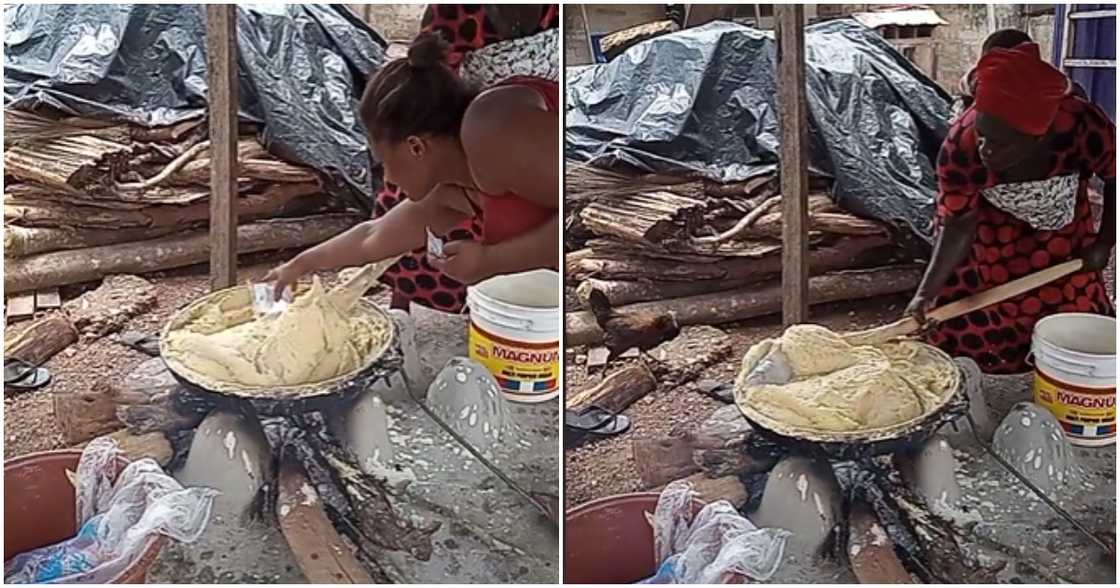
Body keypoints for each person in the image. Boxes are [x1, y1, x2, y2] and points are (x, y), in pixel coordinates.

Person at [265, 31, 558, 309]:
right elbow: (372, 236)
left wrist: (493, 260)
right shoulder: (455, 188)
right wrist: (298, 265)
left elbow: (586, 205)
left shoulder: (491, 127)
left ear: (416, 146)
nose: (389, 178)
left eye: (385, 162)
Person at [906, 40, 1116, 374]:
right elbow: (959, 223)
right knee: (973, 324)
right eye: (983, 135)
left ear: (1038, 137)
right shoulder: (961, 144)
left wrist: (1105, 241)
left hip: (1062, 237)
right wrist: (926, 293)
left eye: (1000, 142)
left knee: (1074, 327)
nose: (985, 148)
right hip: (990, 236)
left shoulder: (1082, 126)